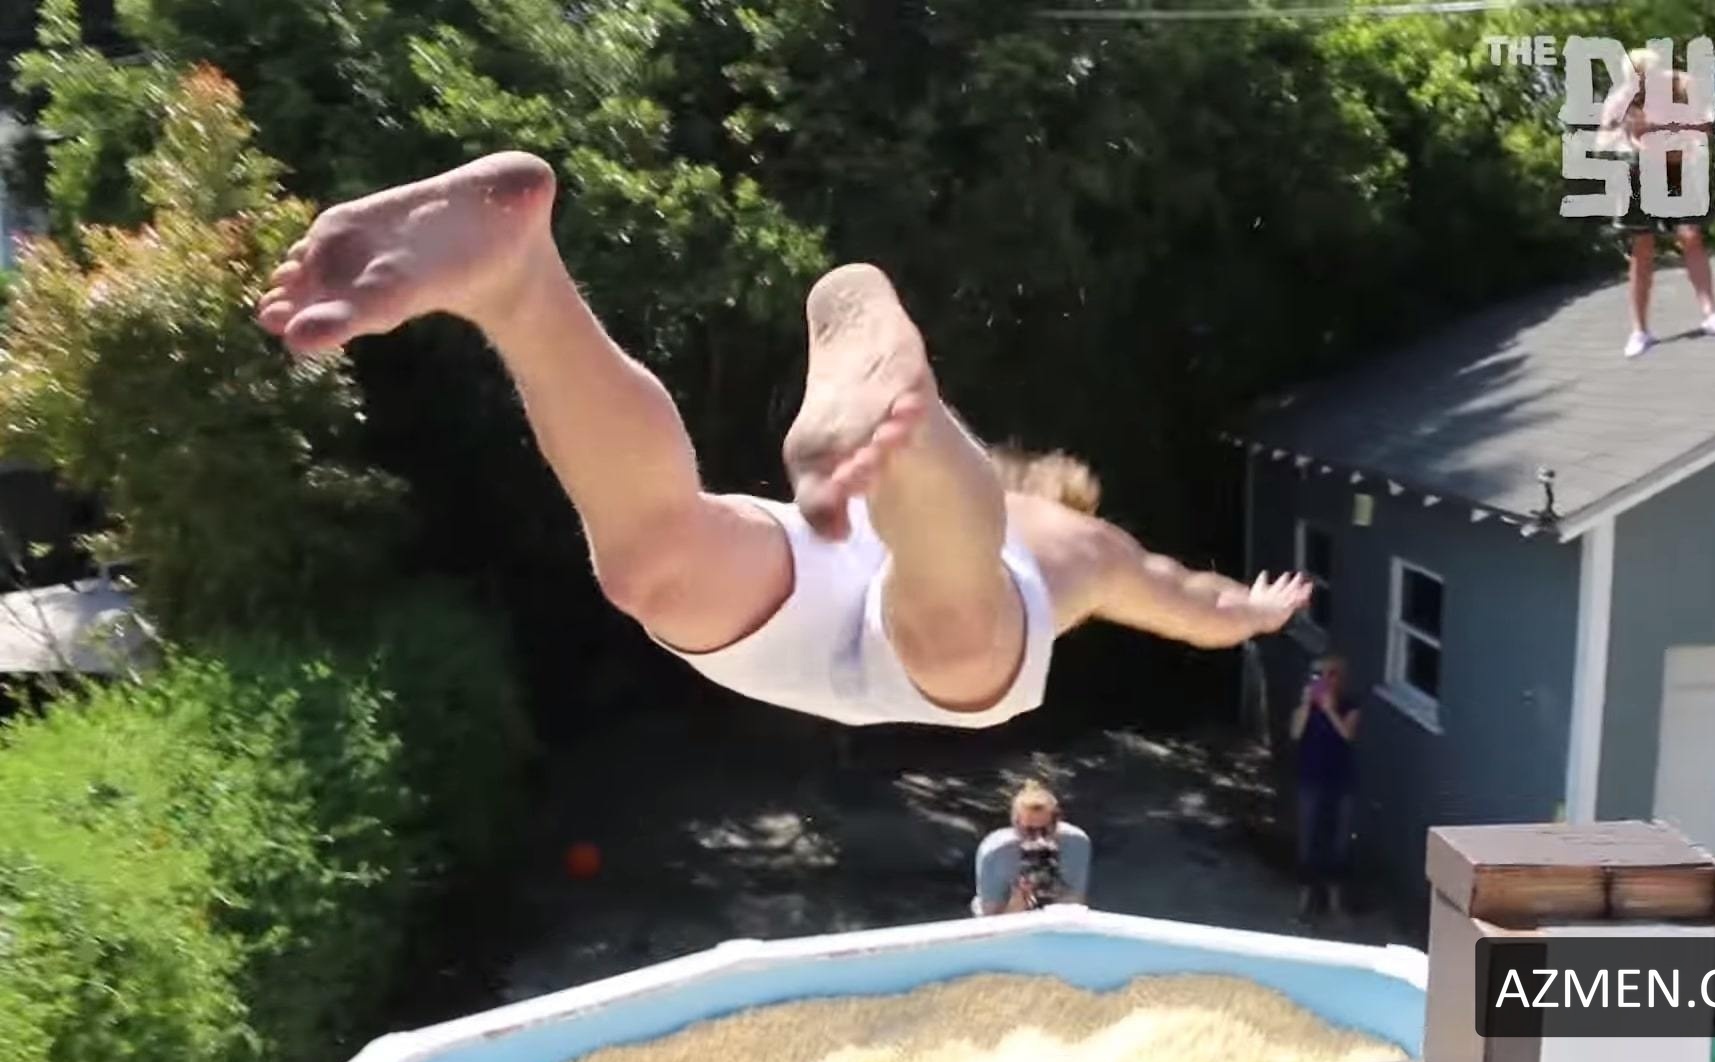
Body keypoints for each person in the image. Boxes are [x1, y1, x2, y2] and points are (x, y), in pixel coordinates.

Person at [254, 152, 1314, 730]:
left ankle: (521, 285)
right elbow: (1189, 603)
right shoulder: (1079, 542)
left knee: (659, 555)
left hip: (823, 548)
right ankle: (896, 407)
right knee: (954, 623)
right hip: (890, 592)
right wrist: (1254, 613)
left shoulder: (966, 503)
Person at [1599, 47, 1715, 358]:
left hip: (1677, 169)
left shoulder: (1680, 88)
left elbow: (1705, 128)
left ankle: (1711, 315)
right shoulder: (1619, 100)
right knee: (1642, 247)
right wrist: (1627, 138)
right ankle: (1640, 331)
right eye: (1638, 79)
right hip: (1637, 176)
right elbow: (1604, 142)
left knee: (1691, 236)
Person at [1289, 655, 1359, 919]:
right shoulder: (1306, 706)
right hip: (1310, 779)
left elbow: (1348, 735)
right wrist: (1307, 706)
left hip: (1341, 781)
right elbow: (1296, 733)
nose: (1323, 680)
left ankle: (1334, 902)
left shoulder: (1349, 705)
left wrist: (1330, 710)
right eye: (1317, 674)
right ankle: (1304, 902)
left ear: (1339, 678)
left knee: (1338, 840)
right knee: (1308, 838)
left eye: (1329, 674)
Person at [972, 781, 1090, 915]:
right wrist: (1017, 904)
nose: (1039, 839)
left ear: (1056, 822)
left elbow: (1075, 904)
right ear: (1016, 825)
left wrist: (1051, 887)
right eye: (1029, 831)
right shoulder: (995, 852)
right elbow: (990, 920)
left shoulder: (1076, 844)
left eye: (1045, 830)